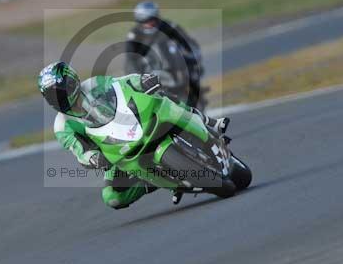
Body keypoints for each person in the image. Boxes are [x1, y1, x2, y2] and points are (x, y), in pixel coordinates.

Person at [38, 62, 229, 209]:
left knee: (161, 98)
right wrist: (94, 159)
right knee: (112, 198)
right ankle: (150, 182)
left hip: (128, 121)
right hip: (111, 151)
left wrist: (141, 80)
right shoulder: (62, 125)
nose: (60, 98)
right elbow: (78, 151)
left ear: (72, 81)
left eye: (61, 92)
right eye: (53, 97)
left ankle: (206, 121)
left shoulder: (94, 84)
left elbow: (122, 83)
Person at [125, 0, 206, 108]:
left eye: (152, 20)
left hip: (178, 66)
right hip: (153, 71)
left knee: (195, 74)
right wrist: (139, 78)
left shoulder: (169, 27)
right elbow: (131, 60)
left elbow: (189, 43)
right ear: (139, 21)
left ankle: (197, 98)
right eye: (145, 21)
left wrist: (194, 58)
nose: (149, 23)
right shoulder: (135, 35)